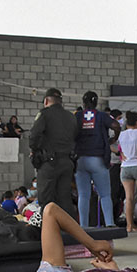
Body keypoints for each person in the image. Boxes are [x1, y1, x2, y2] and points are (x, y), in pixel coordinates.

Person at [73, 90, 120, 227]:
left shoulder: (78, 116)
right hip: (98, 159)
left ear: (83, 102)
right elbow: (116, 125)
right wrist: (114, 138)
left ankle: (83, 226)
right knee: (105, 194)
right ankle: (110, 223)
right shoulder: (101, 116)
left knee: (83, 195)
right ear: (96, 102)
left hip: (80, 159)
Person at [28, 88, 77, 216]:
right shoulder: (71, 117)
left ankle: (49, 232)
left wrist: (34, 150)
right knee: (65, 199)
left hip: (49, 163)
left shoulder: (44, 114)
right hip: (67, 162)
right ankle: (68, 232)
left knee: (46, 199)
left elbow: (34, 136)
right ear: (60, 102)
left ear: (46, 101)